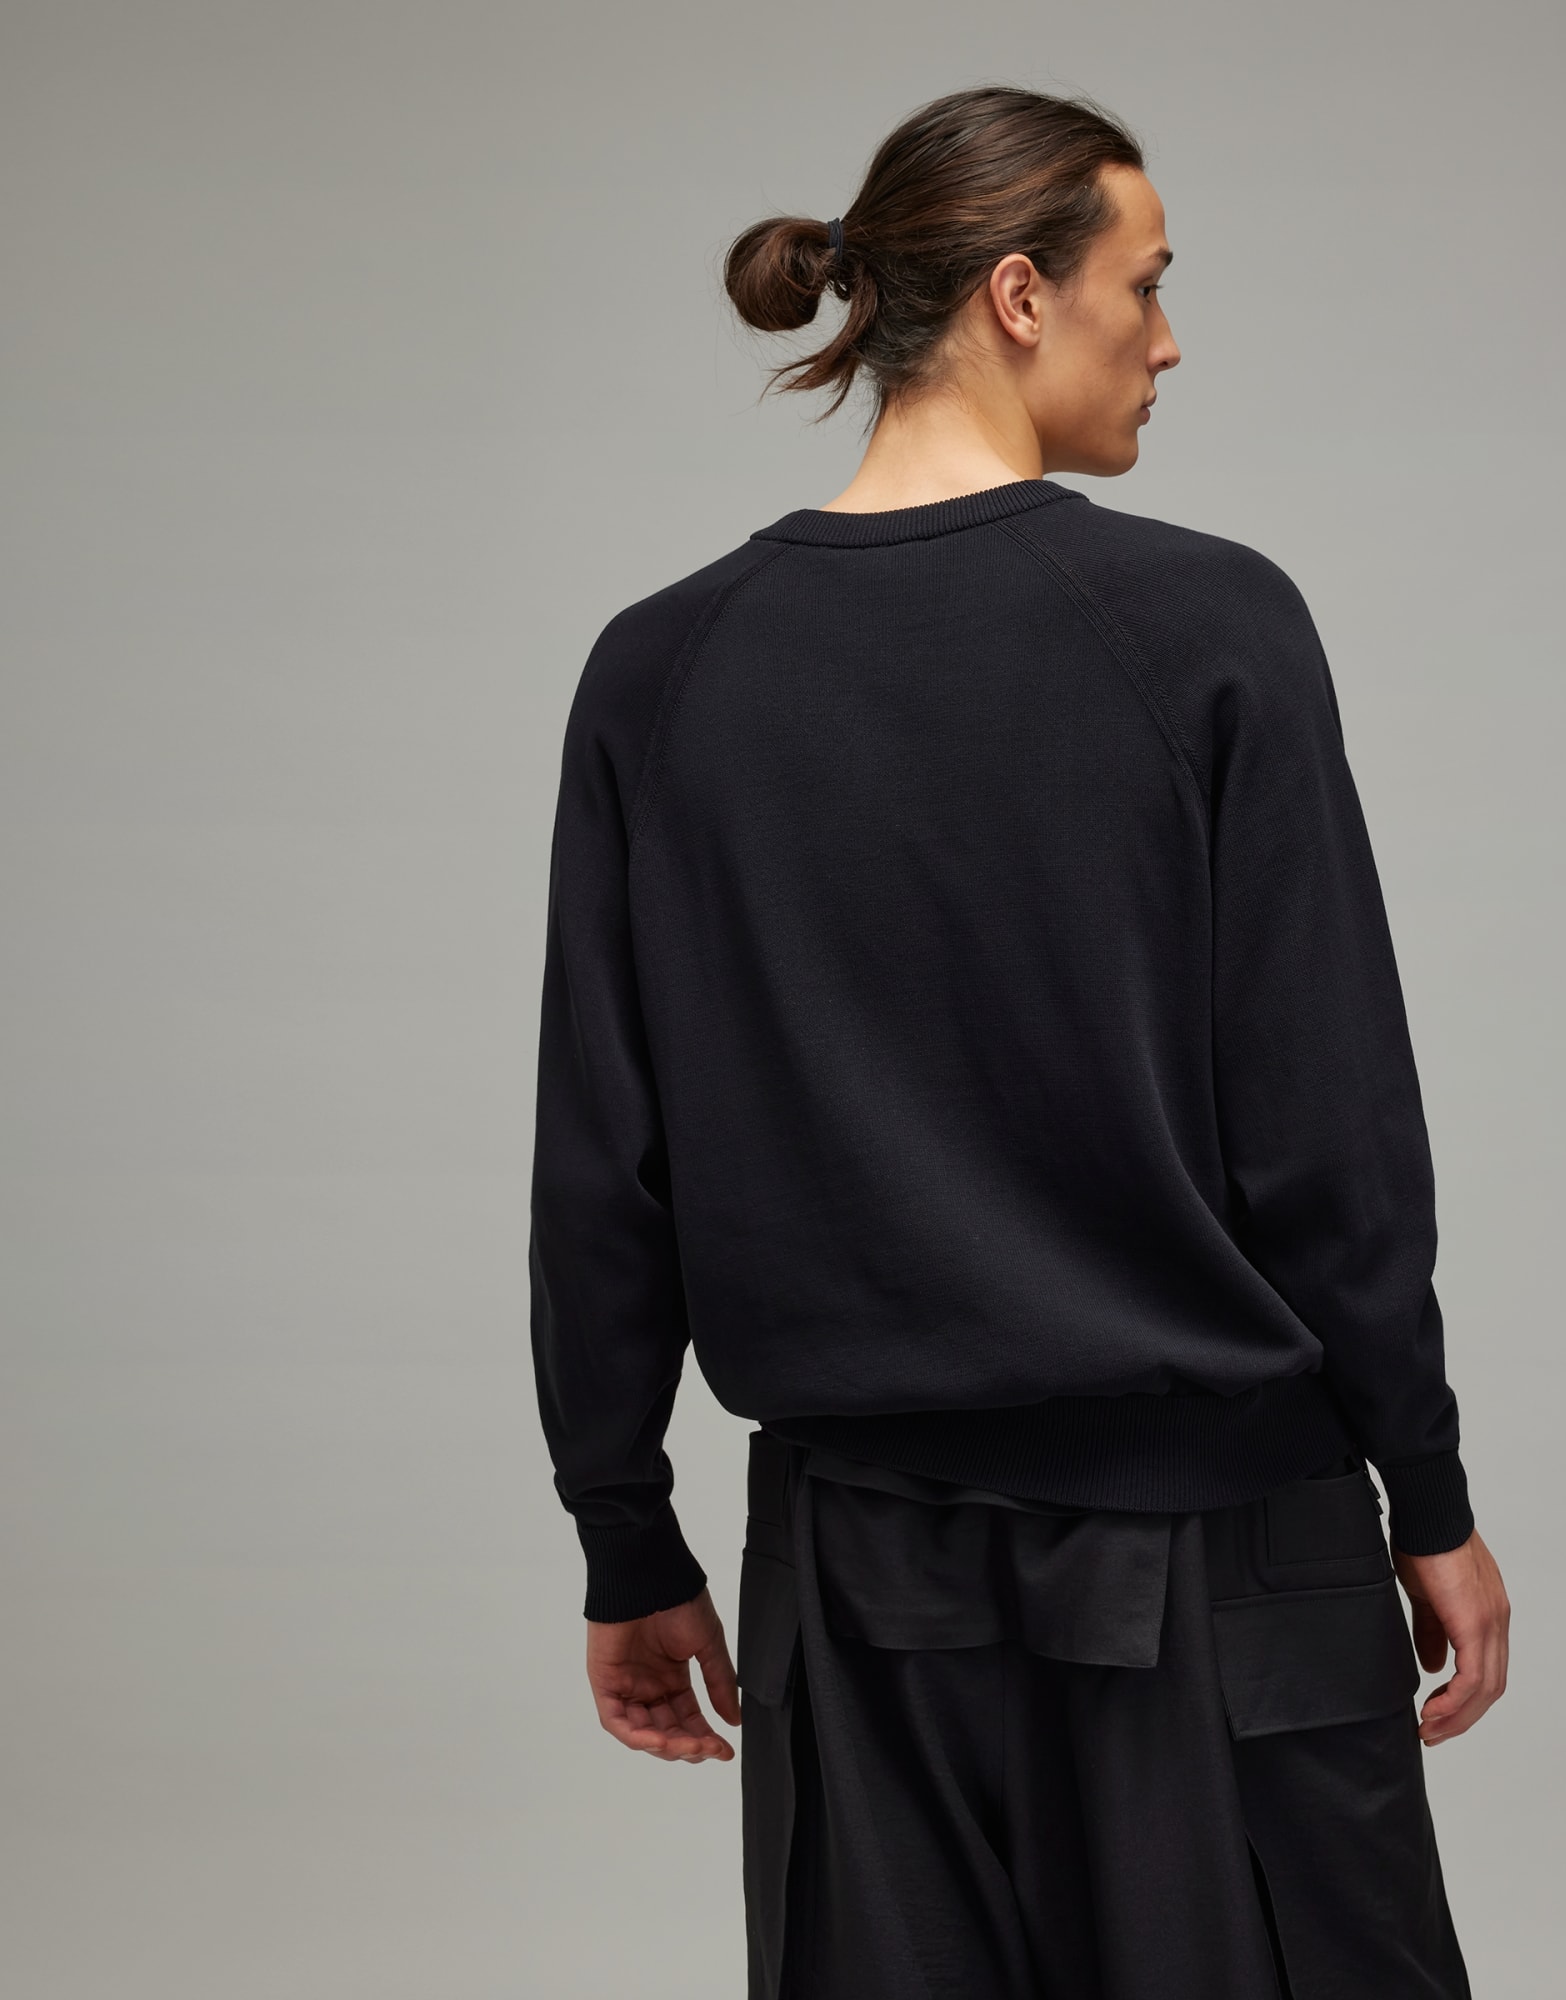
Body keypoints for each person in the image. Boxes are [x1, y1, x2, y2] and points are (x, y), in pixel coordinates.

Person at [528, 82, 1510, 1999]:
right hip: (1217, 1551)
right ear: (1017, 294)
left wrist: (626, 1537)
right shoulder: (1208, 626)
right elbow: (1325, 1126)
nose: (1169, 336)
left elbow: (604, 1156)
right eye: (1145, 282)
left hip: (851, 1584)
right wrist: (1432, 1491)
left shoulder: (665, 667)